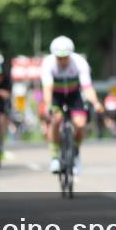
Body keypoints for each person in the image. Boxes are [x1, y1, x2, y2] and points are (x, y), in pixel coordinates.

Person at [40, 36, 104, 175]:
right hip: (56, 96)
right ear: (54, 55)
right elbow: (47, 88)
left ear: (71, 54)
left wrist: (96, 102)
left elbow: (87, 87)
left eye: (65, 58)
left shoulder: (80, 62)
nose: (62, 61)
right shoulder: (48, 63)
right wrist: (48, 105)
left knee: (80, 125)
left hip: (74, 95)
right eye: (59, 58)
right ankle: (55, 157)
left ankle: (75, 151)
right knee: (55, 120)